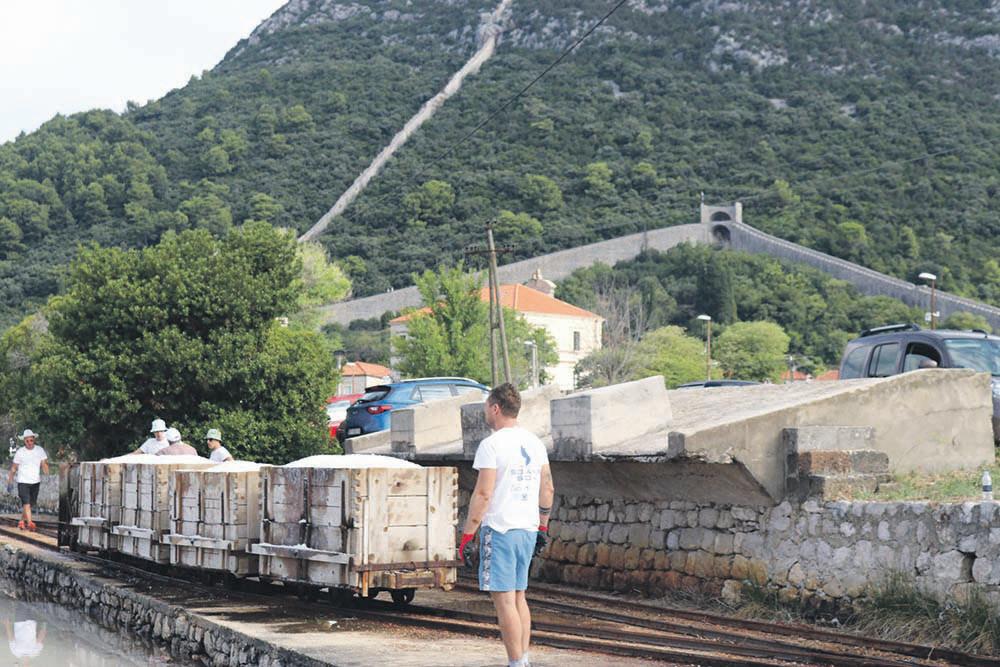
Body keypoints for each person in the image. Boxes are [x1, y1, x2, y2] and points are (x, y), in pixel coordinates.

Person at [459, 383, 554, 667]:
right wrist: (543, 527)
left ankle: (515, 663)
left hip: (500, 530)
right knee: (519, 597)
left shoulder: (491, 445)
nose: (486, 413)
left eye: (487, 407)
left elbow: (483, 494)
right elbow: (547, 488)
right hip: (527, 529)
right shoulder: (535, 443)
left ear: (496, 408)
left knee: (504, 601)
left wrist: (467, 535)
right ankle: (523, 660)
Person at [6, 429, 49, 531]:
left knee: (30, 504)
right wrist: (10, 481)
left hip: (35, 481)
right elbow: (14, 468)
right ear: (24, 441)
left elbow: (44, 463)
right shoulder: (20, 452)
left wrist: (46, 472)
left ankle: (21, 521)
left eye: (31, 440)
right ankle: (30, 523)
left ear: (34, 440)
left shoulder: (40, 450)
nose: (29, 443)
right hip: (23, 481)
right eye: (27, 441)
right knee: (26, 503)